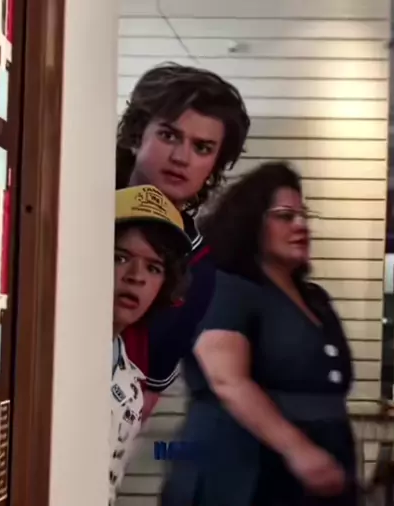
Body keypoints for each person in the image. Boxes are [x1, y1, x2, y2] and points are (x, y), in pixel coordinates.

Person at [160, 162, 358, 506]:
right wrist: (298, 449)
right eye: (285, 216)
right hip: (242, 470)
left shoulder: (316, 299)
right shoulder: (225, 288)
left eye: (303, 215)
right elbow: (227, 380)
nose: (301, 225)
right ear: (252, 222)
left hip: (316, 476)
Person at [116, 62, 250, 417]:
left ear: (214, 166)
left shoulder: (198, 268)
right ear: (138, 134)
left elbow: (143, 400)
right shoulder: (72, 199)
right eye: (169, 136)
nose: (181, 158)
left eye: (202, 148)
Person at [110, 185, 191, 505]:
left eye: (154, 268)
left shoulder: (131, 384)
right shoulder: (45, 353)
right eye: (120, 257)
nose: (136, 276)